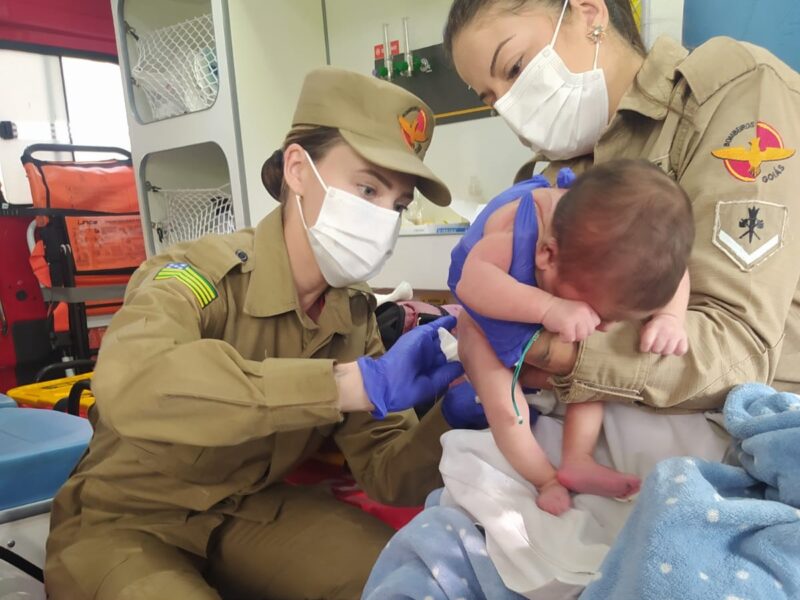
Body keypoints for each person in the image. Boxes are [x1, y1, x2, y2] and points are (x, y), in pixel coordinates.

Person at [365, 0, 800, 596]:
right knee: (441, 535)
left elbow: (735, 348)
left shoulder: (731, 90)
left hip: (718, 420)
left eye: (513, 68)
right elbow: (490, 288)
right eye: (490, 97)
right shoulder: (552, 179)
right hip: (578, 419)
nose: (510, 107)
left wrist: (543, 346)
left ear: (589, 12)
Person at [44, 67, 478, 600]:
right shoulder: (196, 275)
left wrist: (451, 417)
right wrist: (345, 385)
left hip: (249, 511)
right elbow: (134, 382)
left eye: (398, 204)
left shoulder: (354, 316)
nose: (383, 218)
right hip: (126, 519)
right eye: (366, 187)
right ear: (298, 169)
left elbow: (387, 474)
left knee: (408, 583)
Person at [450, 159, 693, 515]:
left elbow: (678, 272)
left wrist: (671, 317)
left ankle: (577, 460)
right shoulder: (516, 230)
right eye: (598, 312)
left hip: (550, 292)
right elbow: (471, 283)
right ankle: (544, 478)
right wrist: (549, 307)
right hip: (488, 309)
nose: (606, 326)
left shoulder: (621, 249)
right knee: (501, 395)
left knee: (591, 377)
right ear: (548, 255)